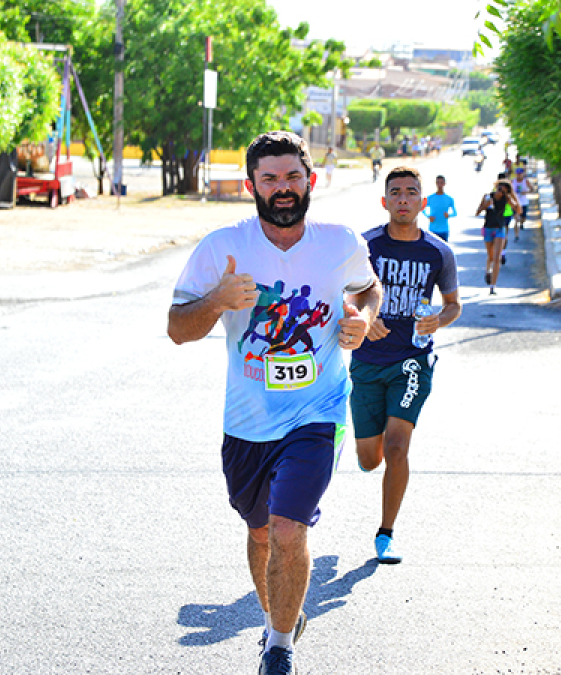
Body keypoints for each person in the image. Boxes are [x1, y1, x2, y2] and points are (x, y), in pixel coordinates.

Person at [168, 131, 382, 675]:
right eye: (269, 179)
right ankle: (276, 618)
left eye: (292, 177)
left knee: (289, 529)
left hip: (319, 411)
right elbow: (177, 329)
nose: (282, 189)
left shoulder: (340, 242)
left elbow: (367, 287)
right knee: (261, 531)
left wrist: (359, 316)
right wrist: (218, 299)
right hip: (246, 421)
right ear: (251, 186)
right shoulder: (221, 247)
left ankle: (279, 649)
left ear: (310, 180)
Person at [350, 166, 462, 564]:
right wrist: (365, 318)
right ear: (385, 201)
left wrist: (438, 320)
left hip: (412, 361)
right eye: (395, 192)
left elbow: (453, 306)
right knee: (370, 459)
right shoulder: (365, 246)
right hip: (367, 361)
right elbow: (339, 296)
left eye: (410, 192)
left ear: (422, 202)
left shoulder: (437, 252)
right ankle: (354, 440)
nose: (403, 199)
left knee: (397, 448)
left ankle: (385, 534)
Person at [476, 180, 520, 295]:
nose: (501, 193)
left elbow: (518, 210)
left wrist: (513, 196)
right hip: (488, 229)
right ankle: (488, 271)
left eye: (504, 191)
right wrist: (485, 205)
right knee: (490, 256)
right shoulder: (487, 197)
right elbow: (477, 212)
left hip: (500, 229)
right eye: (500, 189)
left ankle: (492, 286)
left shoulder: (507, 199)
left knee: (497, 258)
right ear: (496, 188)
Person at [423, 175, 457, 242]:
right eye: (438, 182)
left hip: (444, 229)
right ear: (435, 183)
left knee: (443, 251)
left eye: (441, 183)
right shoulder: (430, 198)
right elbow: (422, 208)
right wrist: (428, 216)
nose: (439, 185)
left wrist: (449, 215)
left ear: (444, 184)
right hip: (433, 229)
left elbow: (455, 213)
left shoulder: (449, 199)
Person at [510, 166, 535, 242]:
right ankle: (516, 235)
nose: (519, 175)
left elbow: (532, 189)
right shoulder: (512, 181)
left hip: (524, 202)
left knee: (523, 218)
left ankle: (522, 223)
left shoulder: (525, 181)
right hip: (515, 203)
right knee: (516, 219)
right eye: (517, 174)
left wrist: (526, 192)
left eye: (520, 174)